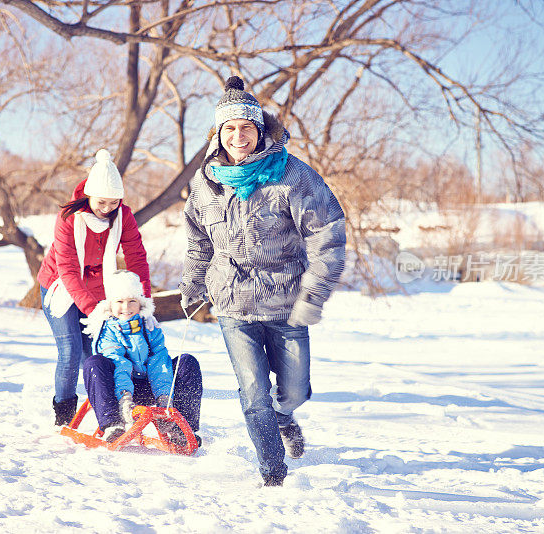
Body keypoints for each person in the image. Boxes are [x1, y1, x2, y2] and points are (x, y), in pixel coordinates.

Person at [179, 76, 346, 486]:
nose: (239, 136)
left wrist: (313, 297)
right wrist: (193, 285)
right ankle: (273, 473)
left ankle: (285, 416)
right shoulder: (205, 182)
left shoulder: (293, 176)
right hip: (233, 305)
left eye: (247, 127)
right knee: (253, 394)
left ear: (260, 131)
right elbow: (199, 240)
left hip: (288, 303)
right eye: (230, 128)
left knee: (293, 392)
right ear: (219, 134)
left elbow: (329, 236)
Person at [38, 149, 152, 426]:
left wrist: (144, 300)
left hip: (101, 291)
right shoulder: (69, 217)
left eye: (114, 202)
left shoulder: (123, 216)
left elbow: (136, 256)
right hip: (60, 288)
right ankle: (63, 417)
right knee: (71, 350)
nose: (108, 208)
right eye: (102, 201)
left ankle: (109, 413)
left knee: (100, 354)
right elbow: (67, 270)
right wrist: (94, 311)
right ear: (89, 195)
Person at [81, 270, 203, 445]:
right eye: (119, 301)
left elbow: (159, 362)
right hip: (119, 390)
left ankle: (182, 428)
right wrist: (124, 399)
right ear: (110, 305)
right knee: (94, 363)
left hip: (152, 386)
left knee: (187, 361)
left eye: (132, 301)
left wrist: (164, 398)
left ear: (141, 304)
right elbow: (119, 364)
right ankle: (112, 426)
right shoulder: (106, 331)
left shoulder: (150, 327)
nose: (126, 307)